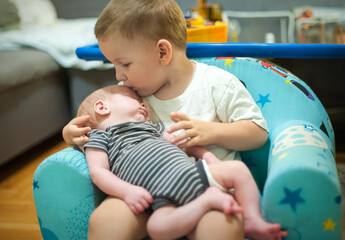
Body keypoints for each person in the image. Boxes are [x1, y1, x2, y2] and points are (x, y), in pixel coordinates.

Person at [63, 0, 288, 239]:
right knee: (106, 220)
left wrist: (210, 132)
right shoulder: (128, 93)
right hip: (143, 194)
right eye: (114, 65)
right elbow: (100, 133)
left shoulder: (217, 84)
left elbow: (257, 133)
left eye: (125, 64)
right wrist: (72, 135)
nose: (119, 76)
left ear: (162, 52)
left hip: (206, 187)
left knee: (222, 224)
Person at [78, 85, 287, 240]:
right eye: (134, 99)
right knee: (157, 229)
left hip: (197, 173)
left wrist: (207, 156)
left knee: (238, 170)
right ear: (102, 107)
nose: (143, 105)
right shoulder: (100, 137)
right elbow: (99, 172)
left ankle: (252, 219)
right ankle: (205, 201)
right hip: (160, 196)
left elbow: (183, 144)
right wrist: (126, 192)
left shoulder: (152, 128)